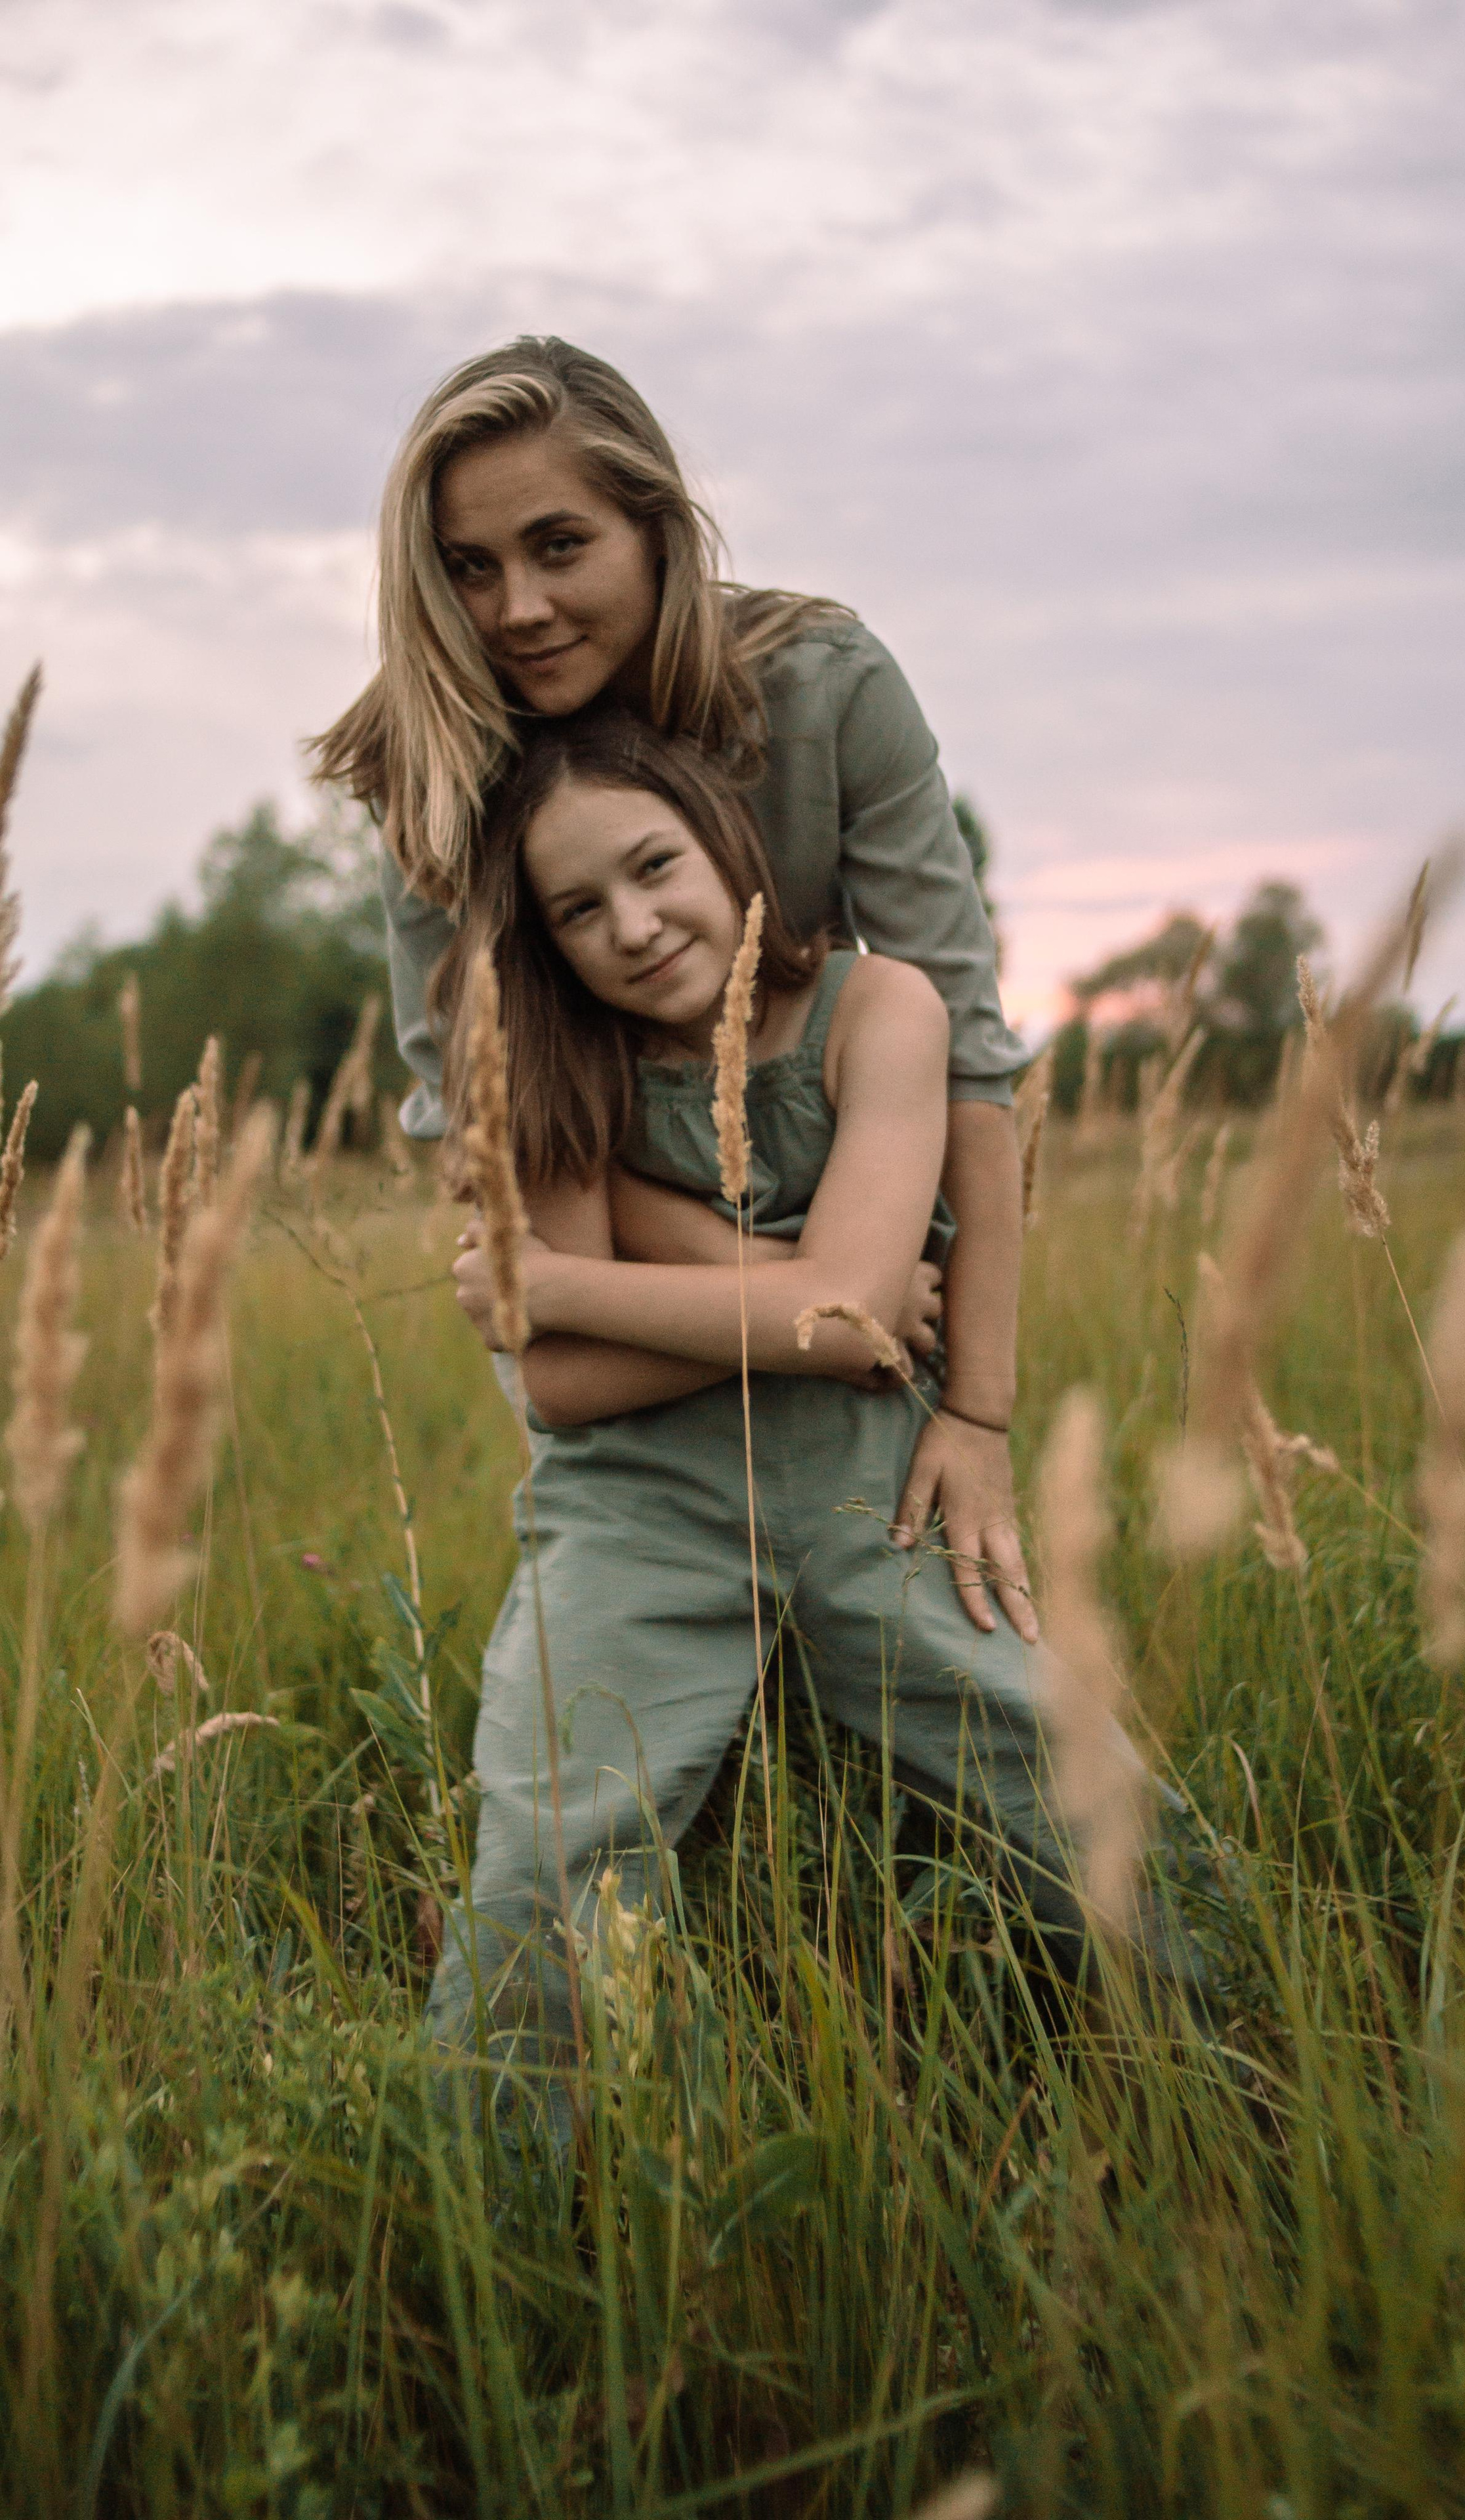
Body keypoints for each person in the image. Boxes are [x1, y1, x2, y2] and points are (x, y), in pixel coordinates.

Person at [425, 713, 1115, 2126]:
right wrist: (805, 1312)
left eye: (652, 865)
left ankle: (1235, 2086)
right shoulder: (557, 1063)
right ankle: (491, 2208)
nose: (630, 924)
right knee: (552, 1839)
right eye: (576, 908)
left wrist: (572, 1275)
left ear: (729, 840)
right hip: (637, 1506)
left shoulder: (881, 1010)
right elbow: (560, 1387)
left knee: (1074, 1795)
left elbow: (855, 1308)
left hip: (884, 1490)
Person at [310, 334, 1037, 1643]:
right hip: (617, 1278)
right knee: (632, 1720)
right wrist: (788, 1288)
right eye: (470, 569)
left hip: (859, 1250)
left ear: (655, 527)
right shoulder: (432, 758)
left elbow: (969, 1059)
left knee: (915, 1681)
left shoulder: (826, 686)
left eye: (557, 546)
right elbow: (470, 1119)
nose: (517, 608)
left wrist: (976, 1410)